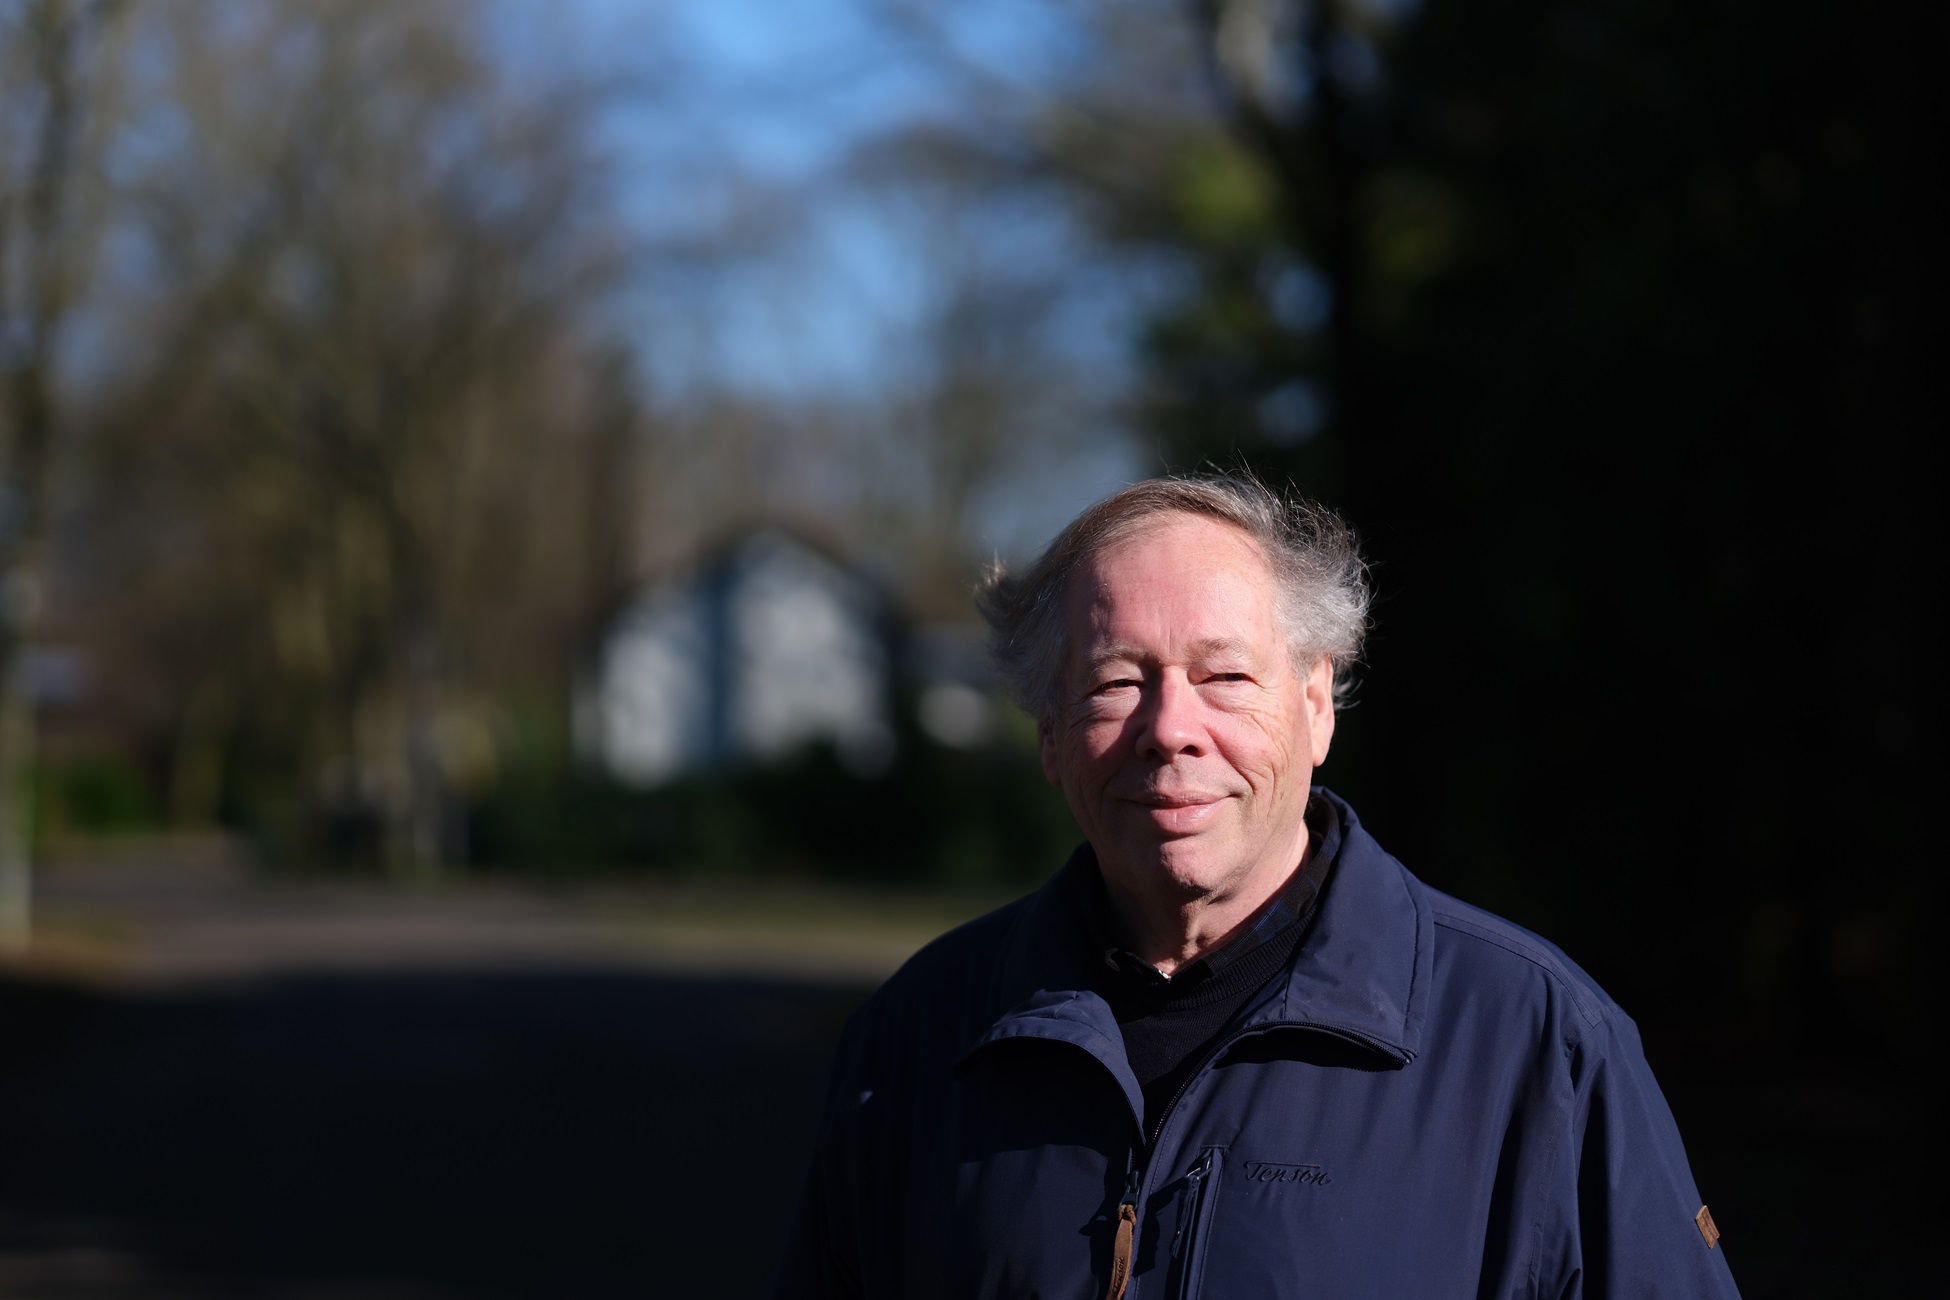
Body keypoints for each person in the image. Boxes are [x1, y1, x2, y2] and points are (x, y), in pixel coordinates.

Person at [776, 474, 1739, 1299]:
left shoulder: (1537, 1044)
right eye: (1116, 682)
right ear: (1050, 735)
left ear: (1317, 706)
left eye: (1225, 676)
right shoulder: (916, 1039)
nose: (1170, 729)